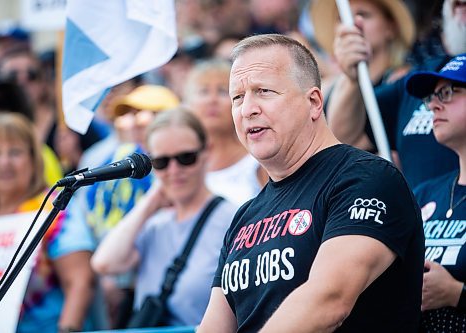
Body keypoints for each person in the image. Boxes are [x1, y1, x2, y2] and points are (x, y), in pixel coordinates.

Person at [198, 34, 424, 332]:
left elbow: (329, 301)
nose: (247, 108)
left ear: (314, 102)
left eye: (263, 91)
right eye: (238, 97)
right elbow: (214, 325)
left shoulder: (366, 178)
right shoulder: (245, 215)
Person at [91, 108, 238, 326]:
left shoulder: (232, 219)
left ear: (207, 151)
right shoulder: (154, 225)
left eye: (186, 158)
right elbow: (104, 263)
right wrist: (150, 202)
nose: (174, 170)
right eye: (161, 162)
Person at [0, 112, 96, 333]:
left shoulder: (55, 209)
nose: (4, 162)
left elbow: (80, 282)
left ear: (33, 159)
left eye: (15, 152)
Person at [327, 0, 465, 188]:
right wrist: (351, 78)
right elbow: (344, 140)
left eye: (448, 93)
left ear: (391, 27)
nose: (433, 104)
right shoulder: (421, 78)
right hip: (422, 215)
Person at [406, 54, 466, 332]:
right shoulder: (424, 194)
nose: (433, 105)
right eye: (431, 97)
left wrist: (457, 294)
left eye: (447, 92)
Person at [184, 59, 268, 206]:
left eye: (222, 91)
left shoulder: (259, 158)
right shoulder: (177, 164)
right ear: (189, 103)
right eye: (204, 91)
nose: (212, 100)